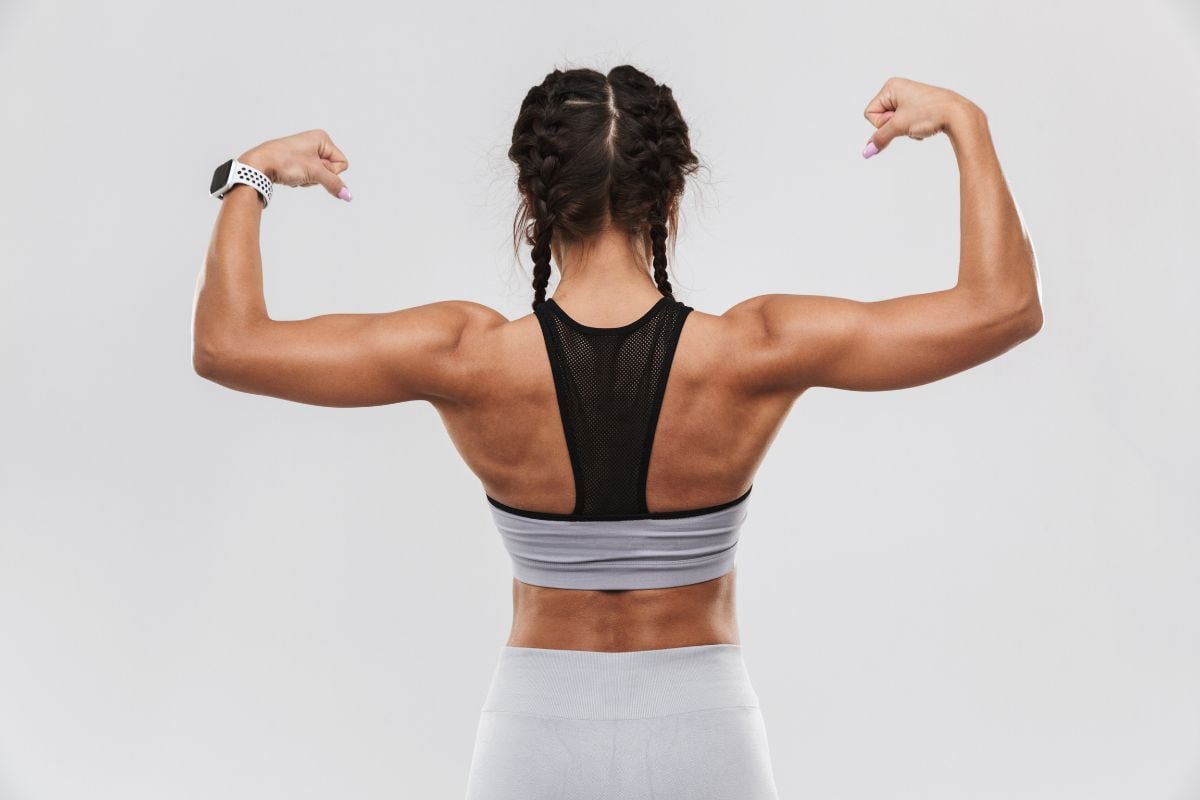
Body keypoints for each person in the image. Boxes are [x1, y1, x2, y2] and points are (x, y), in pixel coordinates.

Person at [192, 67, 1043, 799]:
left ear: (535, 201)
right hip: (704, 733)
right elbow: (1002, 308)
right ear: (671, 198)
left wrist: (252, 176)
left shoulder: (463, 354)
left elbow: (228, 345)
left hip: (536, 733)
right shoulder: (758, 349)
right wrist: (968, 123)